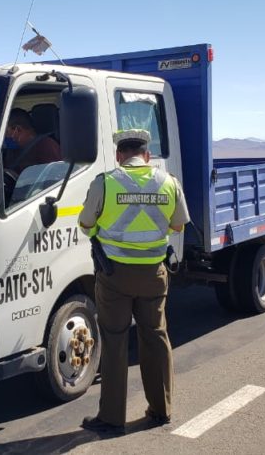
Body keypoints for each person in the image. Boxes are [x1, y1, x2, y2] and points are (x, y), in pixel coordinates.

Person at [77, 129, 191, 434]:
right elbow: (178, 226)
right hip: (154, 273)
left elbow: (86, 224)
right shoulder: (169, 182)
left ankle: (112, 418)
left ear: (119, 156)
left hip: (114, 276)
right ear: (147, 156)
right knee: (155, 337)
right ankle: (161, 410)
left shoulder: (104, 183)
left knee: (114, 341)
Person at [3, 108, 61, 174]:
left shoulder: (46, 145)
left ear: (18, 129)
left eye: (6, 132)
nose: (4, 136)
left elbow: (56, 175)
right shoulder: (11, 151)